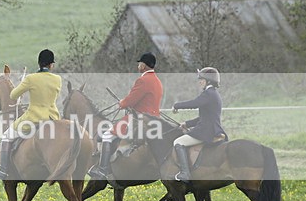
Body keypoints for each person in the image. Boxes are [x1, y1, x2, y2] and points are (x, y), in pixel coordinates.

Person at [88, 52, 163, 180]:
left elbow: (131, 100)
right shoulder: (157, 81)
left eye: (140, 64)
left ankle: (103, 170)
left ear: (143, 65)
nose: (138, 66)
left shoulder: (143, 80)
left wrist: (122, 103)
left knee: (107, 136)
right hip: (155, 120)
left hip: (138, 119)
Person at [0, 49, 62, 179]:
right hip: (53, 118)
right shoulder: (57, 79)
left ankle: (3, 170)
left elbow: (13, 95)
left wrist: (22, 88)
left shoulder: (31, 79)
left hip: (34, 118)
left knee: (7, 136)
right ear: (51, 65)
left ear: (39, 63)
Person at [171, 67, 227, 183]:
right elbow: (205, 117)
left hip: (206, 131)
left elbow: (194, 103)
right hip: (211, 128)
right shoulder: (214, 94)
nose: (199, 82)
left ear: (208, 81)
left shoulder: (208, 94)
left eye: (202, 79)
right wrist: (187, 124)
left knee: (178, 142)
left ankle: (185, 173)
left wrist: (176, 105)